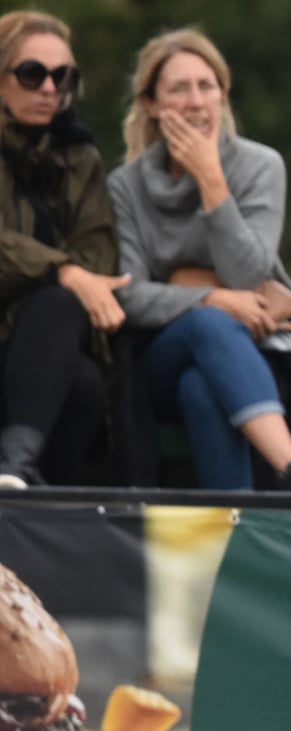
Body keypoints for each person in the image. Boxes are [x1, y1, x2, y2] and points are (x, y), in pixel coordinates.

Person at [108, 29, 291, 492]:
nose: (195, 102)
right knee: (210, 323)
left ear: (223, 95)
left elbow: (250, 272)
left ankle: (238, 530)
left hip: (248, 355)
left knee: (202, 389)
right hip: (153, 359)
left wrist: (211, 180)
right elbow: (129, 295)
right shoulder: (124, 186)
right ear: (151, 104)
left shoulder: (261, 166)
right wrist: (214, 297)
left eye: (206, 86)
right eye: (178, 89)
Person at [0, 10, 123, 488]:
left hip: (45, 348)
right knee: (64, 291)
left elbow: (100, 264)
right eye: (32, 74)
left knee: (84, 384)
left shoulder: (80, 156)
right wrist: (62, 270)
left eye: (62, 76)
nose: (49, 89)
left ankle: (18, 474)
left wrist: (68, 277)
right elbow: (79, 271)